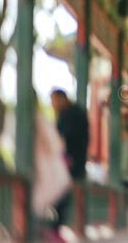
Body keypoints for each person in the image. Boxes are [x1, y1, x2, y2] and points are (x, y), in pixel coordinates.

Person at [50, 89, 89, 231]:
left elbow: (63, 139)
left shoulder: (67, 114)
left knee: (62, 193)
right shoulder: (78, 112)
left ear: (62, 99)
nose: (52, 104)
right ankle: (77, 225)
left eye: (53, 100)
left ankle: (55, 225)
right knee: (75, 194)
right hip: (78, 161)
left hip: (68, 161)